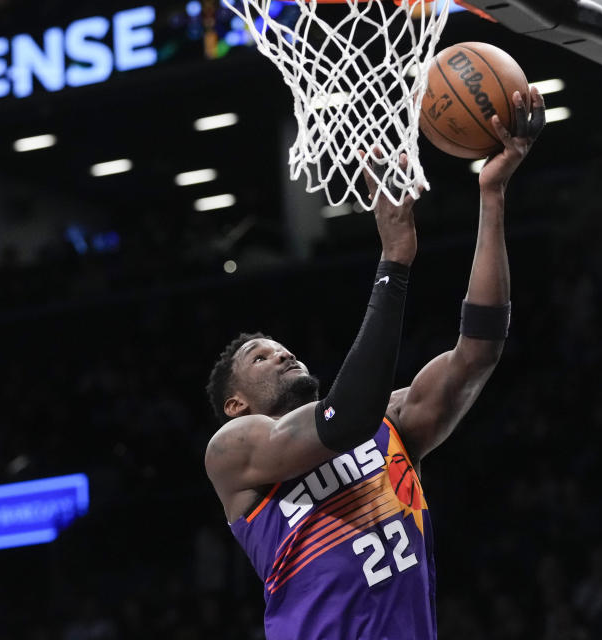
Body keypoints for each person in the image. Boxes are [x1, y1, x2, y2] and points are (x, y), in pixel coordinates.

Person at [205, 88, 545, 639]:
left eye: (280, 346)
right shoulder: (235, 453)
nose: (282, 353)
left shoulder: (390, 426)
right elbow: (345, 419)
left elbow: (479, 349)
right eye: (260, 356)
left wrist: (493, 192)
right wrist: (394, 258)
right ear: (235, 404)